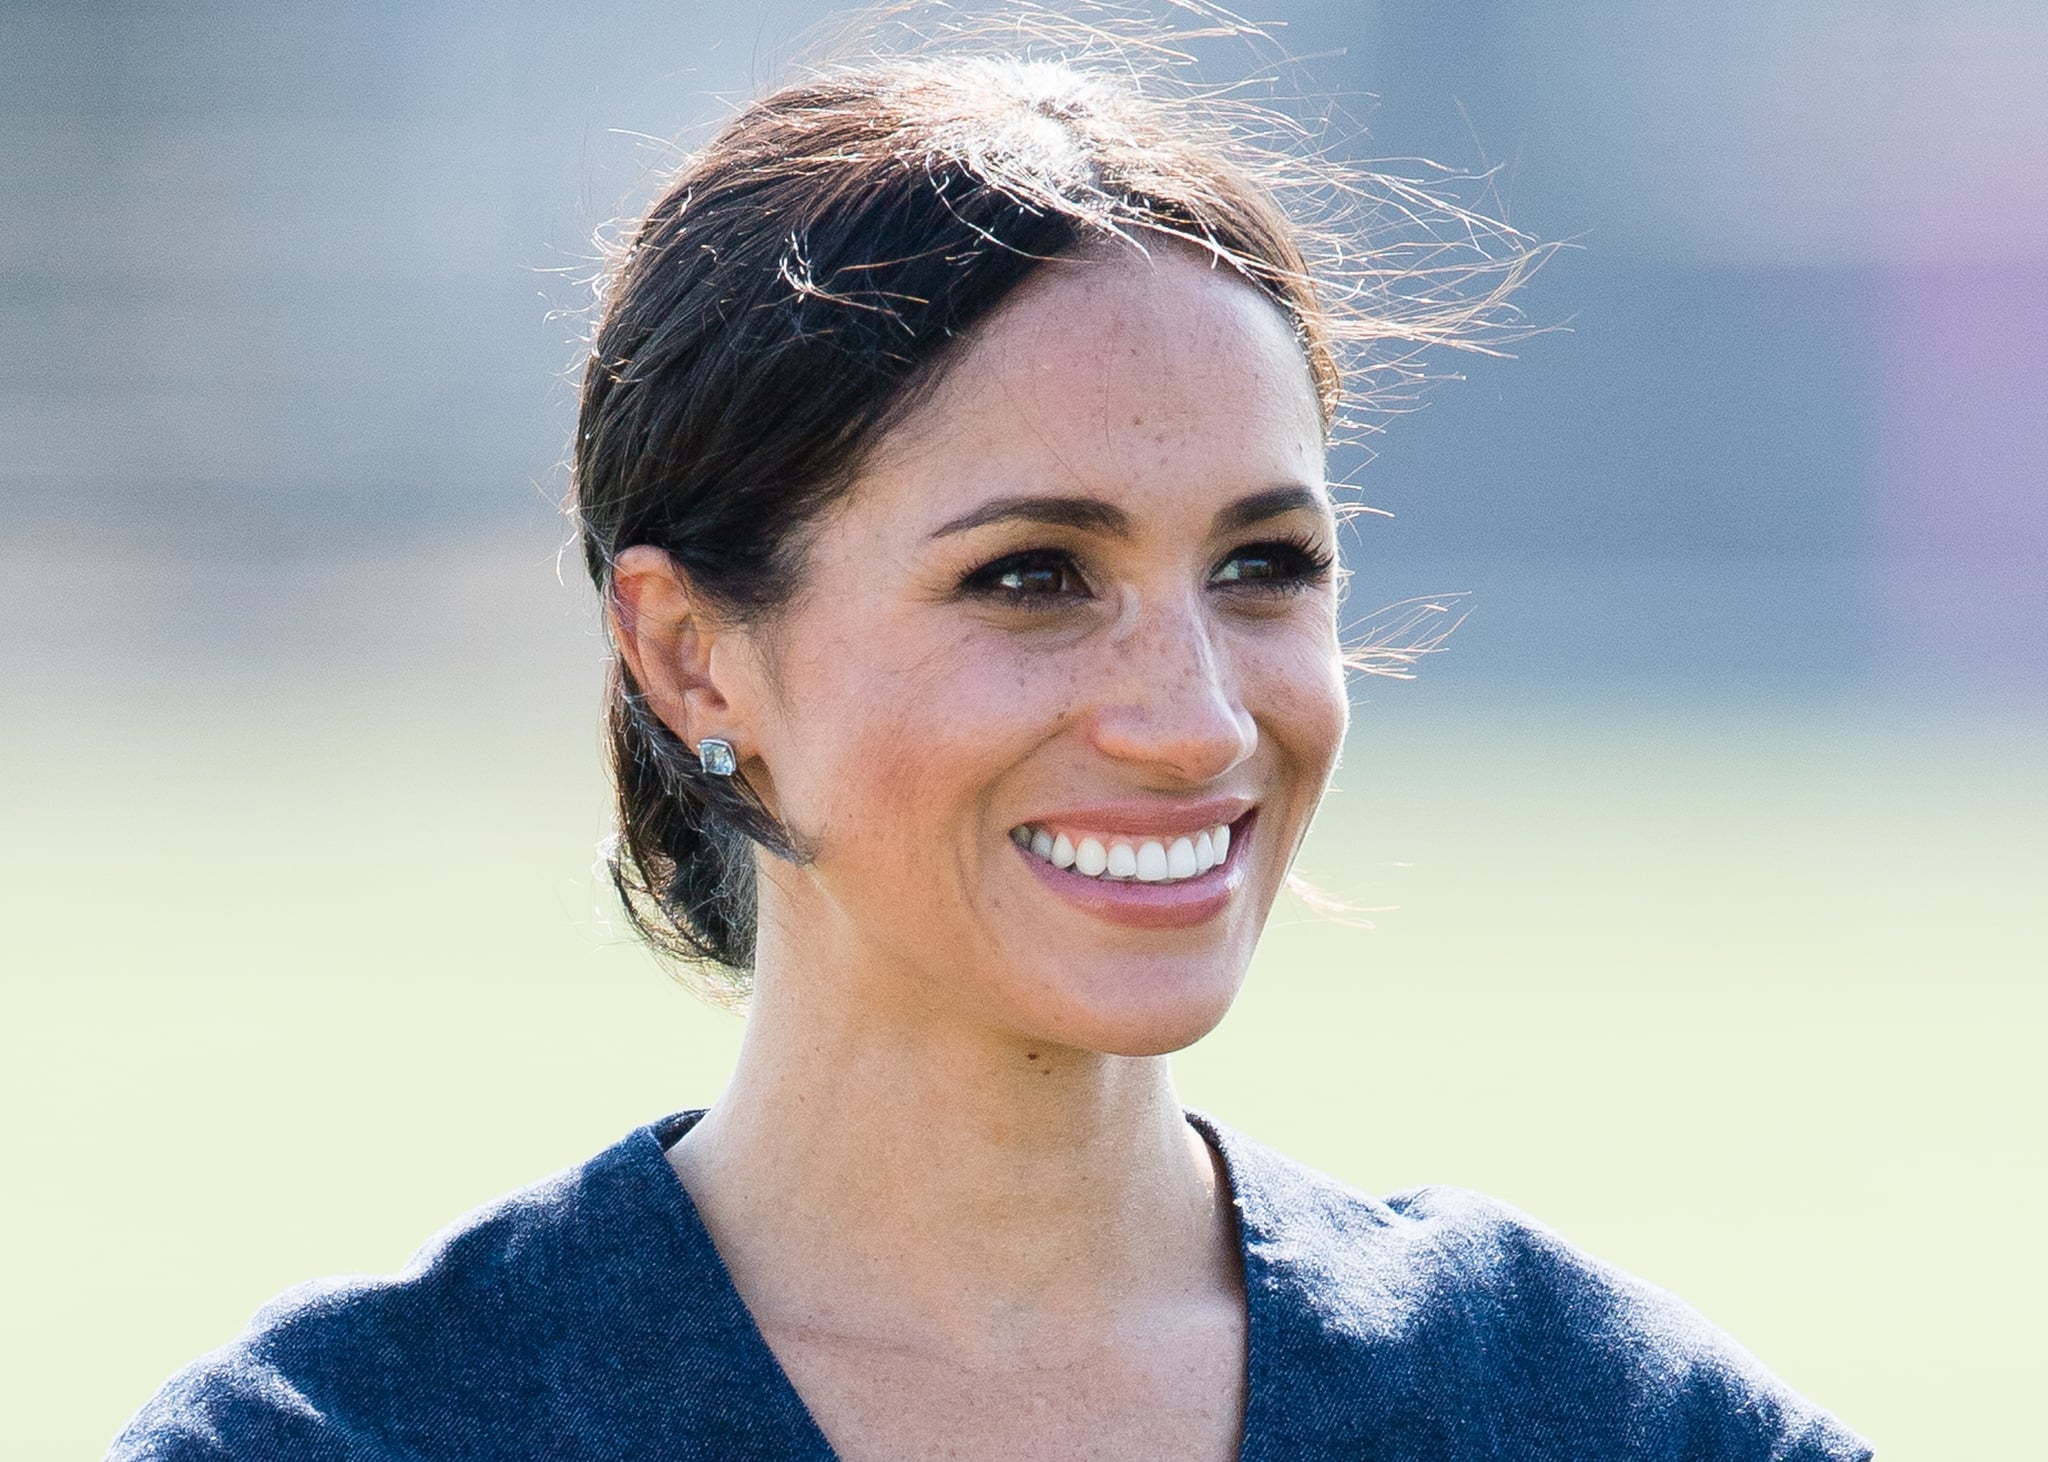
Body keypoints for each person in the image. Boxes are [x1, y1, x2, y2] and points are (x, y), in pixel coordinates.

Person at [111, 15, 1872, 1462]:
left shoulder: (1590, 1415)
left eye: (1265, 567)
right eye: (1034, 575)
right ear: (690, 655)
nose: (1191, 718)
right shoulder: (361, 1435)